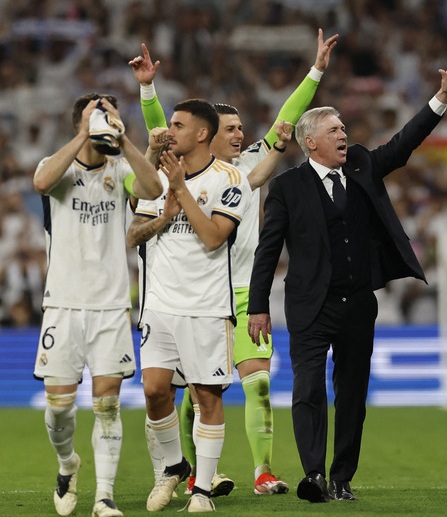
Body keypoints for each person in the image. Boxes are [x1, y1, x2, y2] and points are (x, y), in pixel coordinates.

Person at [247, 55, 447, 503]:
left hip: (357, 303)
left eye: (344, 129)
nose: (343, 135)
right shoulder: (287, 187)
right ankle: (314, 474)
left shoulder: (361, 164)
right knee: (308, 389)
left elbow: (403, 144)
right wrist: (257, 307)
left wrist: (441, 98)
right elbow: (267, 249)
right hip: (310, 305)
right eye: (334, 130)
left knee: (352, 395)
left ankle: (341, 478)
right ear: (311, 142)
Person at [129, 29, 339, 497]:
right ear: (208, 134)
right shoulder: (183, 167)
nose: (241, 134)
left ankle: (262, 471)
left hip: (244, 293)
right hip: (199, 293)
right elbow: (164, 131)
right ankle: (194, 476)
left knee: (255, 385)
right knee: (196, 391)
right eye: (231, 129)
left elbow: (287, 118)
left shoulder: (249, 167)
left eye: (242, 128)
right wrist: (148, 91)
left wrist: (316, 71)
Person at [32, 93, 162, 517]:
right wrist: (85, 132)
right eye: (98, 115)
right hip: (63, 304)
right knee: (59, 411)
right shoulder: (57, 165)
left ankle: (104, 497)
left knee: (107, 406)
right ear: (80, 123)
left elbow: (153, 188)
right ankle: (68, 463)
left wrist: (124, 140)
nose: (107, 120)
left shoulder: (121, 169)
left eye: (111, 115)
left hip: (110, 307)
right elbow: (41, 183)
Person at [127, 99, 250, 513]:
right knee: (154, 391)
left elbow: (214, 238)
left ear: (201, 133)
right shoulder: (157, 177)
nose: (168, 131)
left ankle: (201, 492)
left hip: (206, 307)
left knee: (207, 398)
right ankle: (173, 467)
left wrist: (180, 190)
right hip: (159, 305)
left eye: (177, 125)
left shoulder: (230, 178)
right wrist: (164, 216)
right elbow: (133, 235)